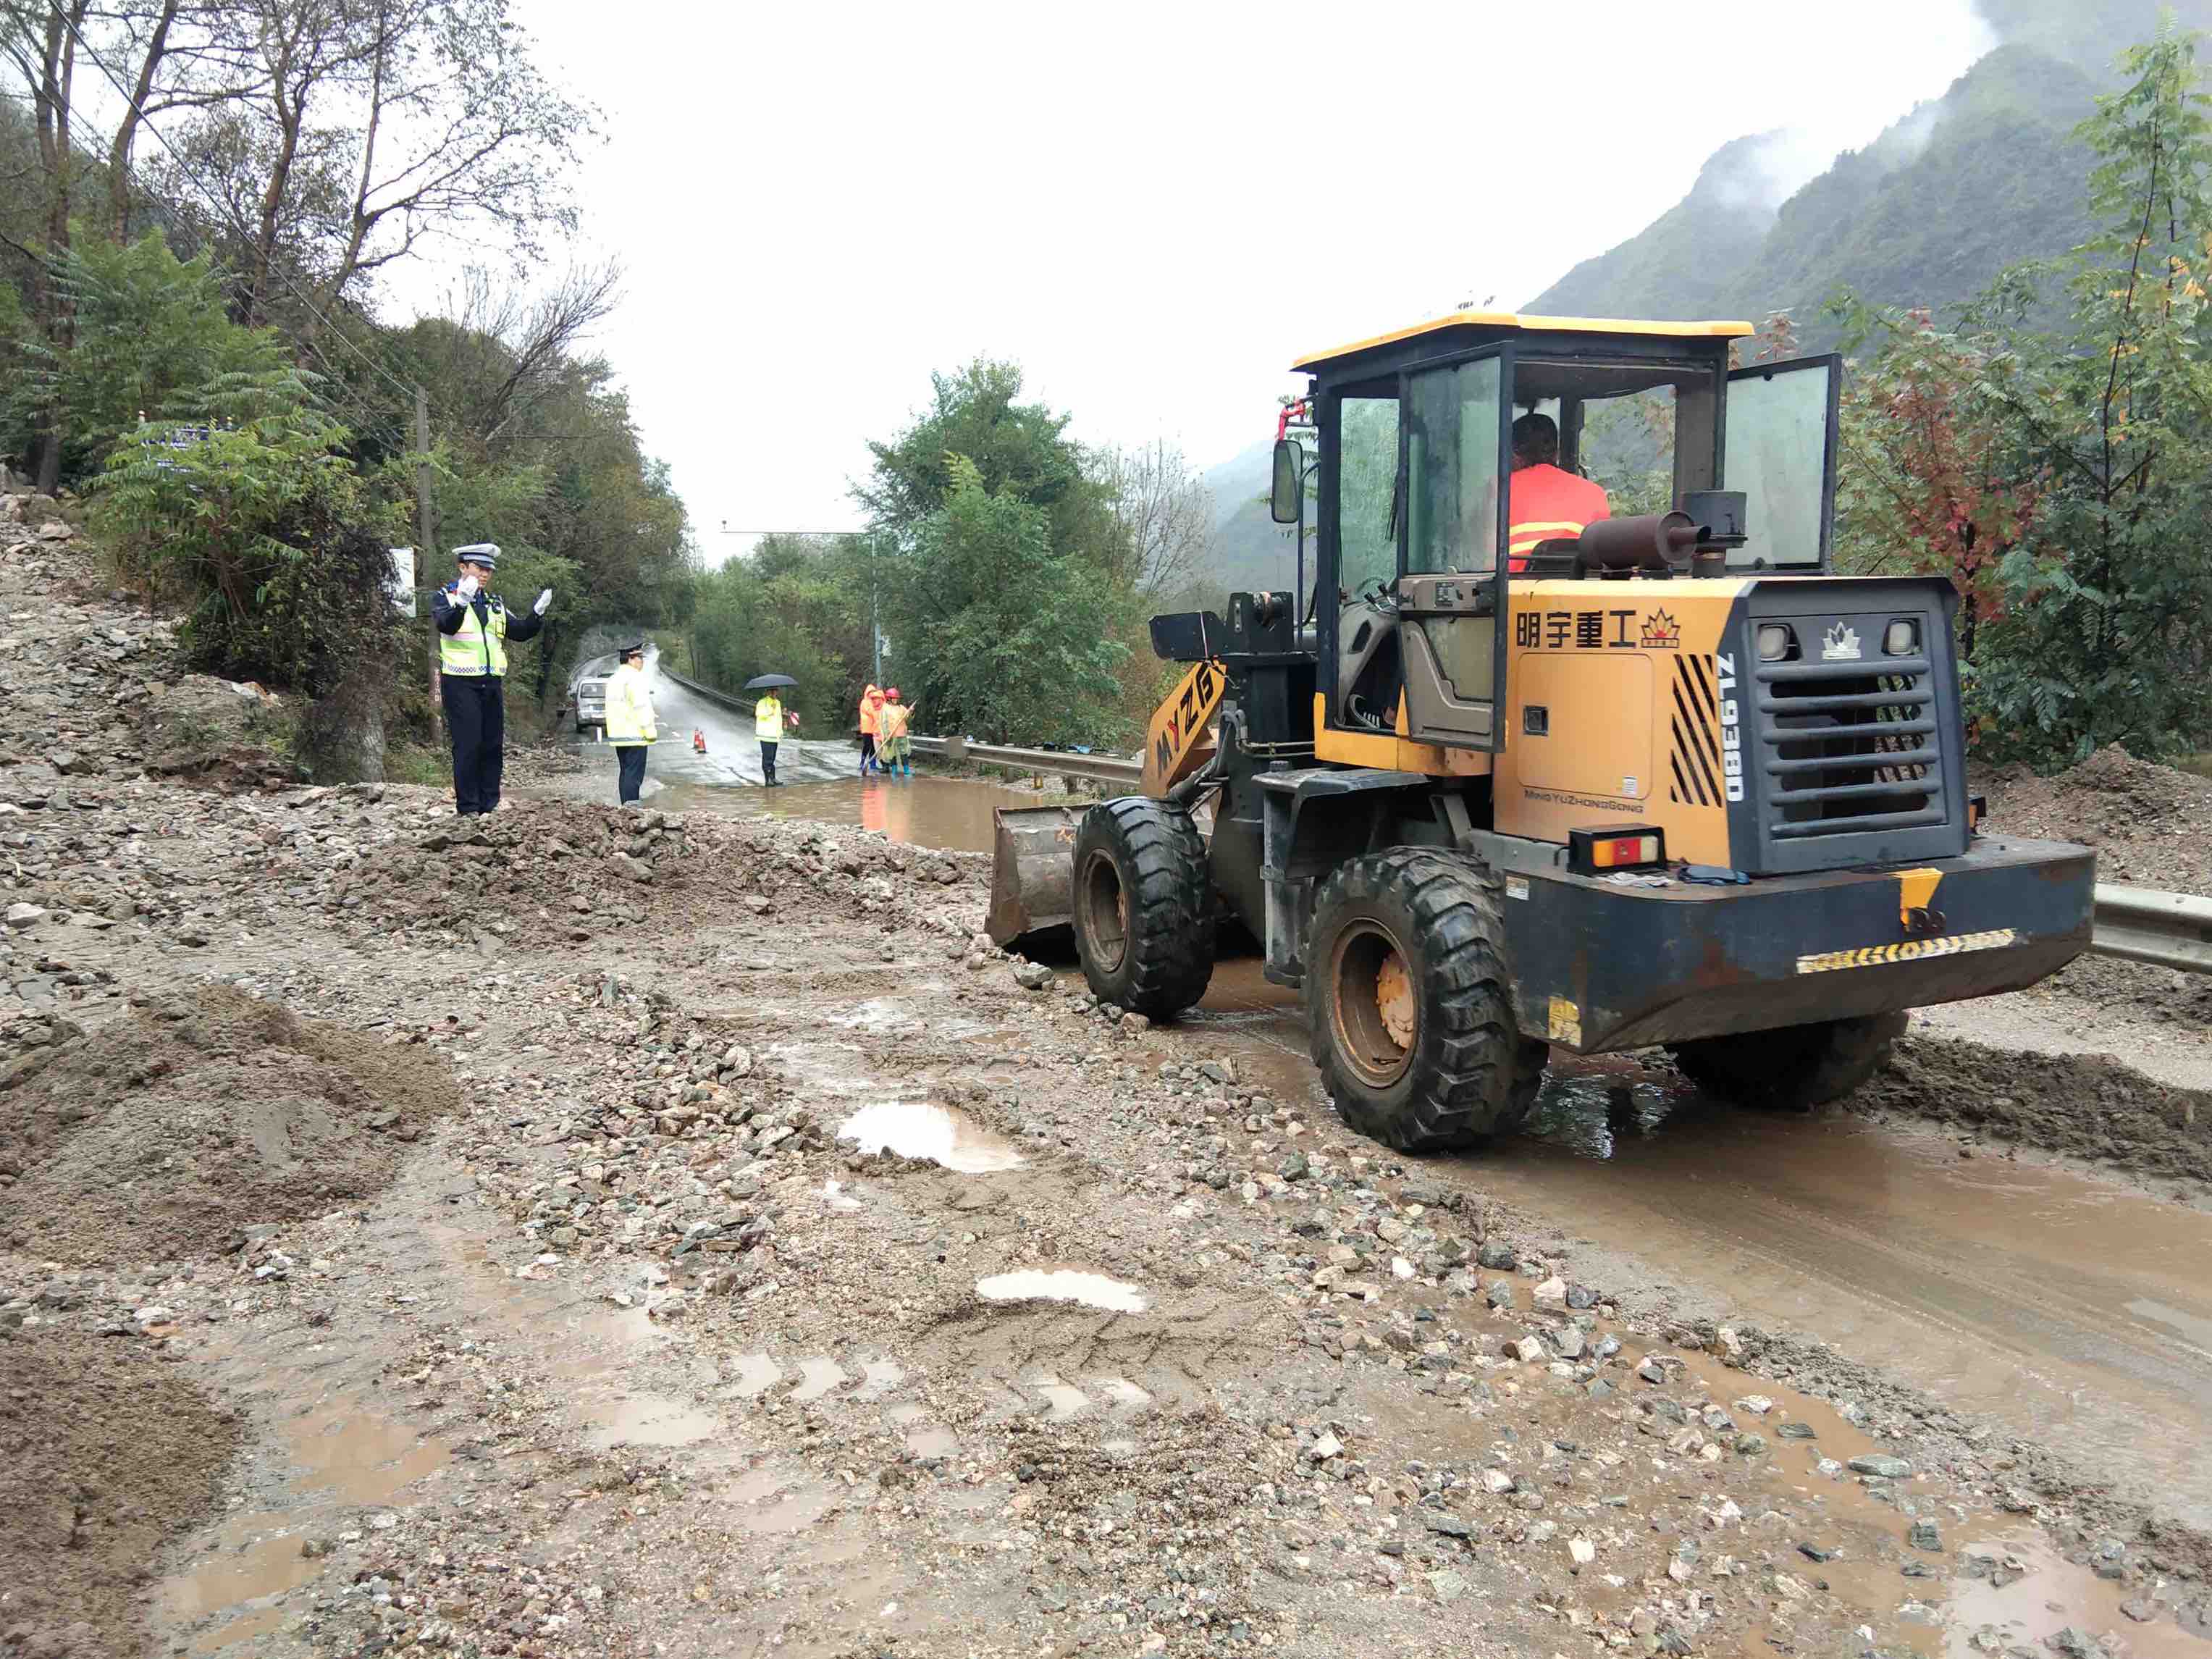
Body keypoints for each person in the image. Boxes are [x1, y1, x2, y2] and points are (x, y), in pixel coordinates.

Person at [432, 543, 550, 815]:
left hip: (491, 681)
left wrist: (537, 615)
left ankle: (490, 803)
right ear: (463, 567)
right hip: (460, 681)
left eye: (489, 570)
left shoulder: (495, 603)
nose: (485, 574)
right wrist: (462, 603)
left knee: (492, 745)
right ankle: (468, 807)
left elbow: (519, 632)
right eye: (480, 568)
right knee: (468, 744)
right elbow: (446, 625)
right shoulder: (445, 597)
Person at [1506, 412, 1610, 573]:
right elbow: (1603, 554)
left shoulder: (1498, 491)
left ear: (1514, 455)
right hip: (1578, 584)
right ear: (1556, 453)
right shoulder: (1594, 493)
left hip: (1511, 585)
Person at [605, 642, 656, 805]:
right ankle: (632, 809)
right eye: (640, 658)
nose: (642, 661)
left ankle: (625, 807)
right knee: (634, 775)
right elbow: (641, 707)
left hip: (619, 735)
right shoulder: (635, 678)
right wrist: (650, 733)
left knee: (626, 772)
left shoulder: (614, 678)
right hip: (635, 734)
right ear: (630, 659)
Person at [755, 686, 795, 786]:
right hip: (765, 734)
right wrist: (771, 710)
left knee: (773, 757)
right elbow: (759, 714)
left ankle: (773, 777)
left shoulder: (777, 702)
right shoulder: (762, 702)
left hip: (774, 735)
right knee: (767, 757)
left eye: (776, 691)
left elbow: (778, 718)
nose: (774, 693)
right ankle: (767, 779)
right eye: (772, 691)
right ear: (768, 692)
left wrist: (781, 729)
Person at [877, 686, 913, 778]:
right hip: (891, 735)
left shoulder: (901, 708)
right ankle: (894, 770)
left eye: (897, 698)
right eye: (894, 698)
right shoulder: (885, 708)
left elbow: (908, 719)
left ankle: (906, 770)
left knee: (904, 752)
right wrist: (886, 735)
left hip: (901, 734)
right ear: (889, 698)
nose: (896, 700)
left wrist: (910, 712)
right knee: (891, 753)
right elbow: (884, 723)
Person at [857, 682, 884, 775]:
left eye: (873, 692)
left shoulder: (875, 701)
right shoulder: (864, 702)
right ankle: (862, 762)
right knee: (867, 745)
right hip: (867, 729)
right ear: (867, 693)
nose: (872, 694)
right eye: (870, 692)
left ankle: (873, 764)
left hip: (875, 728)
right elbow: (870, 711)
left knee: (874, 747)